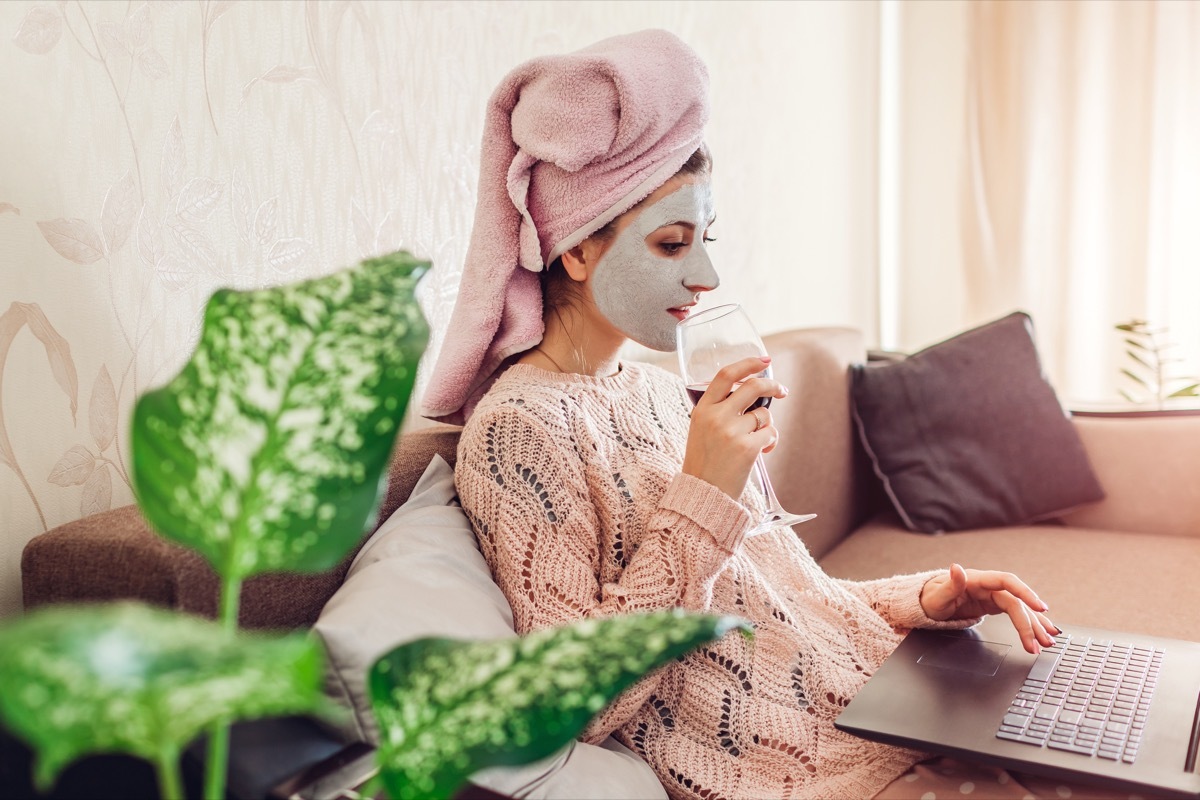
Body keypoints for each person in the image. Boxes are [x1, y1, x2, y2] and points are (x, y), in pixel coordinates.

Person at [422, 29, 1120, 800]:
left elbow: (790, 596)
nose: (708, 272)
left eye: (706, 239)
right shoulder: (515, 431)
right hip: (811, 773)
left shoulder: (659, 391)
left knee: (1134, 735)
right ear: (577, 253)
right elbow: (572, 704)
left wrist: (928, 600)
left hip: (889, 706)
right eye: (671, 242)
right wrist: (706, 496)